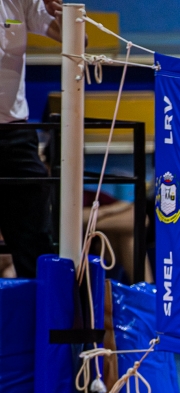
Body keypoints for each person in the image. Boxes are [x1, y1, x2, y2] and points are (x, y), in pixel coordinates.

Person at [0, 0, 60, 279]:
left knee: (34, 242)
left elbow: (77, 39)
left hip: (15, 137)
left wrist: (62, 13)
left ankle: (42, 304)